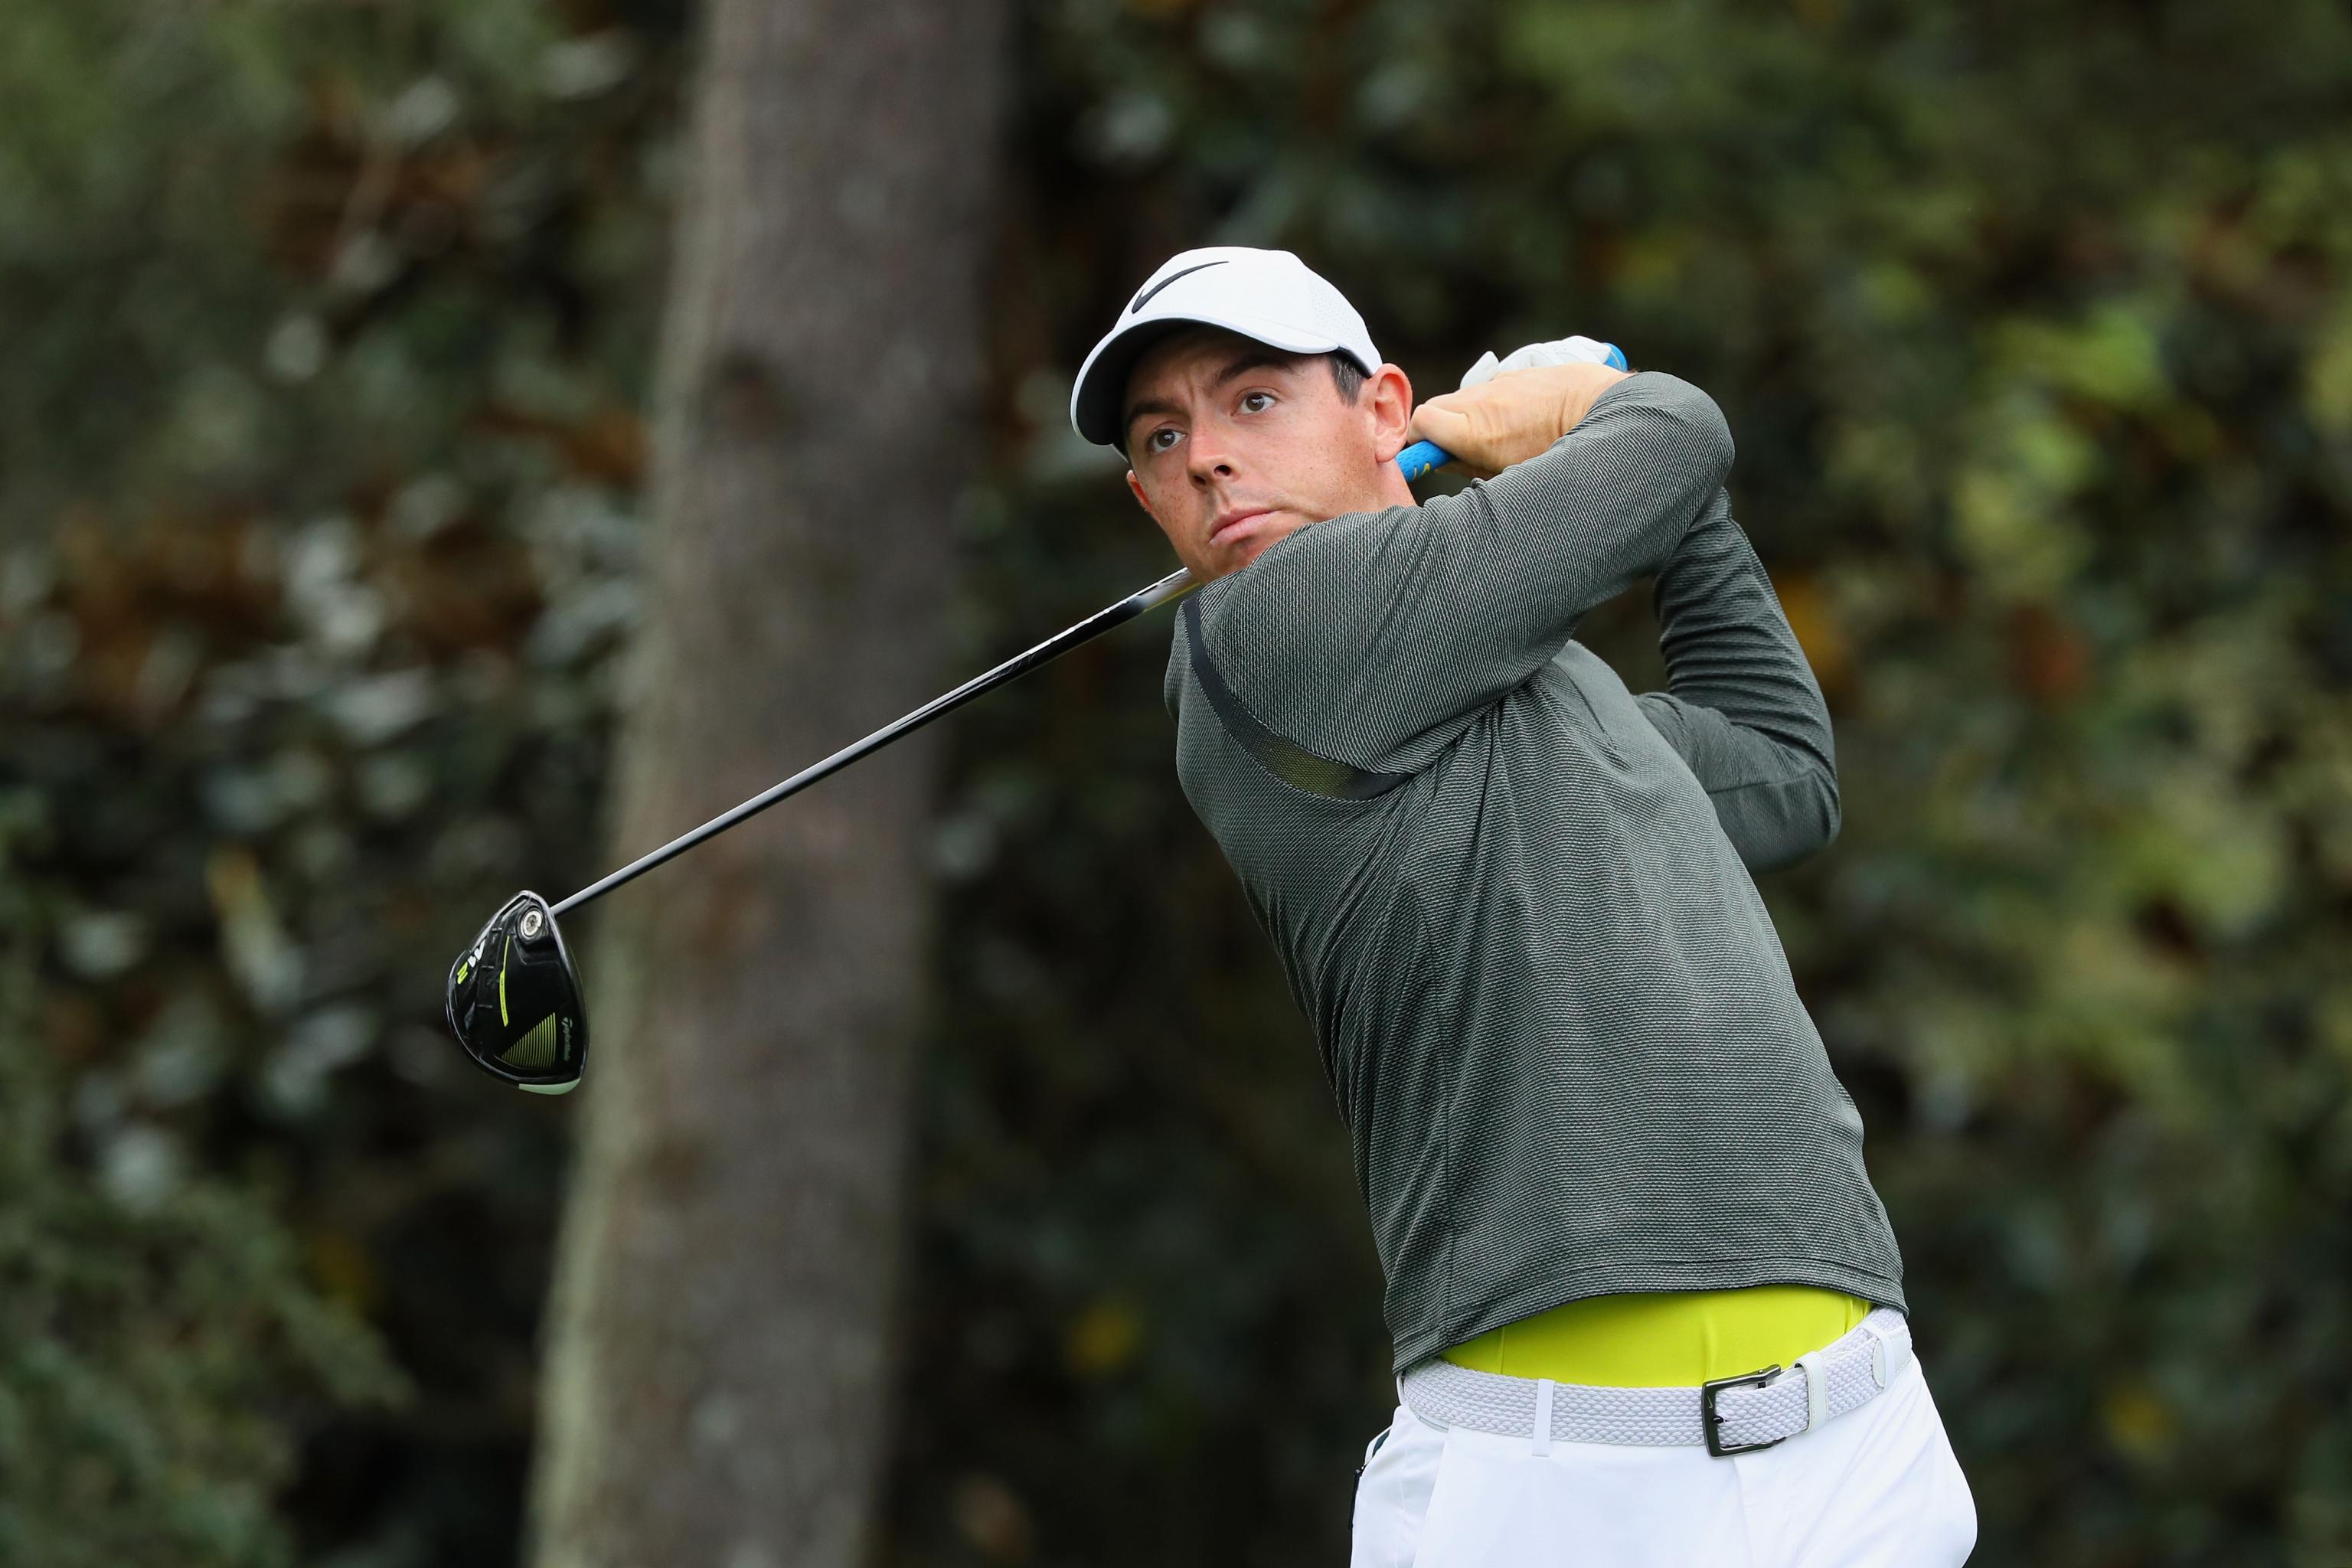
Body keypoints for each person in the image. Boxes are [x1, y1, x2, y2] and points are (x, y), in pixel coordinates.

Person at [1068, 246, 1977, 1566]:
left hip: (1859, 1448)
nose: (1207, 456)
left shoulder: (1554, 697)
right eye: (1165, 436)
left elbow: (1783, 769)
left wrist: (1673, 497)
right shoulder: (1264, 644)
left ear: (1381, 409)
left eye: (1251, 402)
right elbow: (1681, 433)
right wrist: (1580, 410)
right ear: (1149, 495)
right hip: (1562, 1490)